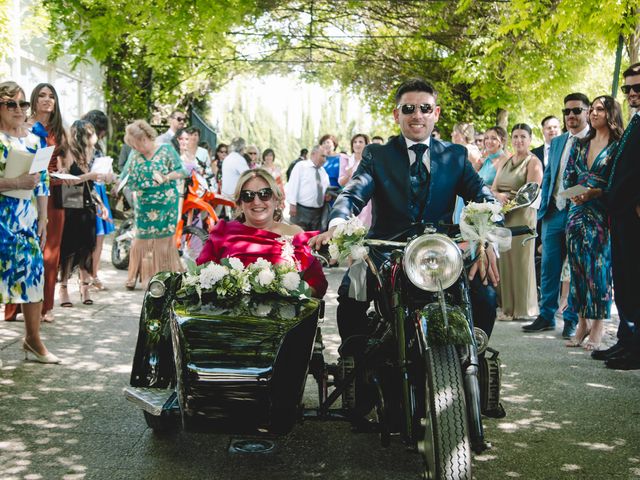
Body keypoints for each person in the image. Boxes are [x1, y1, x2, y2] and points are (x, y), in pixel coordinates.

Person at [310, 78, 497, 342]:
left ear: (436, 113)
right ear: (397, 114)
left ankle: (472, 354)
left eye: (425, 108)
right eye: (408, 109)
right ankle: (354, 363)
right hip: (384, 253)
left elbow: (483, 196)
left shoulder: (455, 155)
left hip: (440, 254)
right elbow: (352, 193)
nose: (417, 115)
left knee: (485, 291)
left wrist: (485, 238)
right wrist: (337, 224)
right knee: (352, 290)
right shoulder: (378, 155)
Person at [196, 169, 328, 298]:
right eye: (248, 196)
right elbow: (201, 275)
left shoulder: (295, 235)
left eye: (265, 194)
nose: (257, 201)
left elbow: (318, 284)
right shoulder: (223, 232)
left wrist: (289, 295)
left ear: (276, 200)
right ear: (240, 204)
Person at [0, 80, 59, 363]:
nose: (18, 109)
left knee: (33, 275)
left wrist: (44, 218)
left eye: (22, 103)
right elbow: (21, 181)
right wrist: (14, 181)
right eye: (10, 103)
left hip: (25, 218)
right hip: (1, 216)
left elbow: (42, 183)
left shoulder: (34, 140)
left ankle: (33, 341)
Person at [523, 93, 590, 339]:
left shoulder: (593, 140)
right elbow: (551, 173)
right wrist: (544, 207)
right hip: (552, 212)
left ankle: (571, 320)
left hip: (578, 212)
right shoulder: (559, 141)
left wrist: (572, 196)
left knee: (574, 269)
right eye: (567, 112)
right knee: (549, 267)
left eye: (576, 111)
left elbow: (592, 177)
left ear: (587, 111)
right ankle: (546, 315)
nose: (571, 116)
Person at [563, 95, 623, 351]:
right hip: (576, 214)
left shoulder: (618, 146)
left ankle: (599, 325)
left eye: (600, 109)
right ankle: (582, 323)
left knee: (597, 270)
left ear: (611, 113)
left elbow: (619, 183)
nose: (594, 113)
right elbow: (567, 178)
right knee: (576, 269)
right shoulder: (580, 144)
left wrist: (595, 193)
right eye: (594, 109)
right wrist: (577, 192)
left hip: (601, 216)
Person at [594, 63, 640, 369]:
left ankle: (636, 350)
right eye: (628, 89)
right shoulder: (636, 122)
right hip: (620, 214)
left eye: (638, 87)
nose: (632, 93)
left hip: (635, 214)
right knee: (624, 280)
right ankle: (626, 340)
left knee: (635, 281)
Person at [121, 120, 187, 289]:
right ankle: (135, 275)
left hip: (166, 203)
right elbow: (124, 176)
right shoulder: (135, 155)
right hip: (143, 204)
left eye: (136, 145)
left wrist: (166, 177)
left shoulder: (166, 150)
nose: (135, 149)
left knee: (164, 240)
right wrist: (117, 184)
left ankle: (163, 276)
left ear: (144, 139)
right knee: (140, 238)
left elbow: (182, 171)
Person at [491, 123, 543, 321]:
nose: (519, 140)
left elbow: (531, 192)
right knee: (504, 260)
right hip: (503, 215)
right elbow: (493, 187)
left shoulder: (533, 162)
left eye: (523, 136)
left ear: (530, 139)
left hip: (522, 214)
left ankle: (524, 308)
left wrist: (508, 203)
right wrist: (498, 197)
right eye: (515, 137)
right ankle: (507, 307)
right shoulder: (506, 160)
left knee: (521, 261)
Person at [58, 120, 105, 307]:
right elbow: (68, 181)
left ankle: (84, 287)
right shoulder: (68, 153)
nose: (94, 136)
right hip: (71, 206)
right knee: (69, 250)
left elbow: (90, 187)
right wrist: (90, 176)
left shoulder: (92, 155)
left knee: (87, 248)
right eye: (90, 132)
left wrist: (101, 204)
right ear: (81, 135)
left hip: (88, 206)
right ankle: (63, 289)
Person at [81, 110, 115, 291]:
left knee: (99, 237)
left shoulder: (99, 148)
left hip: (99, 190)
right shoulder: (78, 148)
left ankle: (94, 274)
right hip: (88, 192)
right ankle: (86, 276)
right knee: (88, 238)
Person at [287, 145, 330, 231]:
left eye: (326, 157)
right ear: (313, 154)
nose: (325, 160)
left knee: (313, 239)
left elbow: (326, 189)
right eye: (323, 156)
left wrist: (327, 196)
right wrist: (292, 204)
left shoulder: (323, 172)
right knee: (298, 238)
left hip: (318, 213)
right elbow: (293, 185)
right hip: (301, 211)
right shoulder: (301, 166)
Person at [339, 133, 372, 227]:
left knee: (365, 228)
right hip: (350, 199)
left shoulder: (371, 161)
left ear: (366, 144)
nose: (357, 144)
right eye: (355, 142)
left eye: (360, 142)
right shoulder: (346, 160)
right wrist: (348, 174)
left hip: (368, 202)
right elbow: (341, 182)